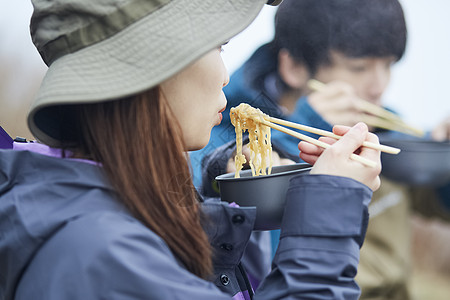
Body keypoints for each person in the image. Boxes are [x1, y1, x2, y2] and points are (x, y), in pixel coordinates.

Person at [0, 0, 383, 299]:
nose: (226, 75)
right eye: (218, 46)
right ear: (151, 65)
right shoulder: (99, 252)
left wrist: (219, 195)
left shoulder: (99, 212)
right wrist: (327, 217)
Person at [198, 0, 448, 299]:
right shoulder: (219, 139)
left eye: (388, 65)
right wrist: (303, 130)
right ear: (293, 67)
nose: (378, 86)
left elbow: (439, 204)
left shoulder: (380, 125)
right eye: (359, 67)